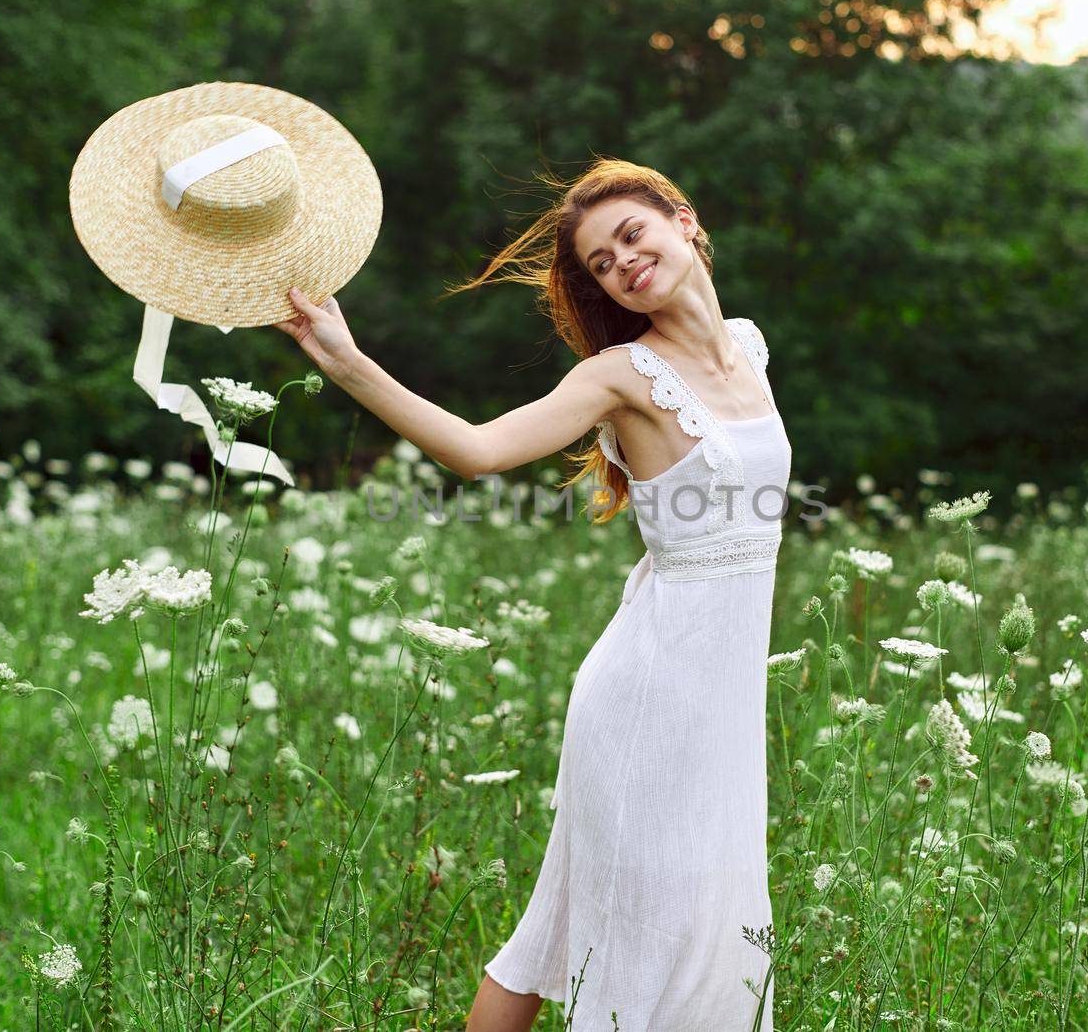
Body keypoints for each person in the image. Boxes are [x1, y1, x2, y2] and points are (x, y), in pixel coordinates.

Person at [276, 158, 790, 1031]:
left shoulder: (749, 346)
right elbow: (478, 450)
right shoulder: (621, 376)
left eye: (632, 235)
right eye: (600, 262)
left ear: (685, 220)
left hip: (720, 715)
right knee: (631, 942)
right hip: (648, 704)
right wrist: (348, 362)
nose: (623, 262)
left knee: (633, 936)